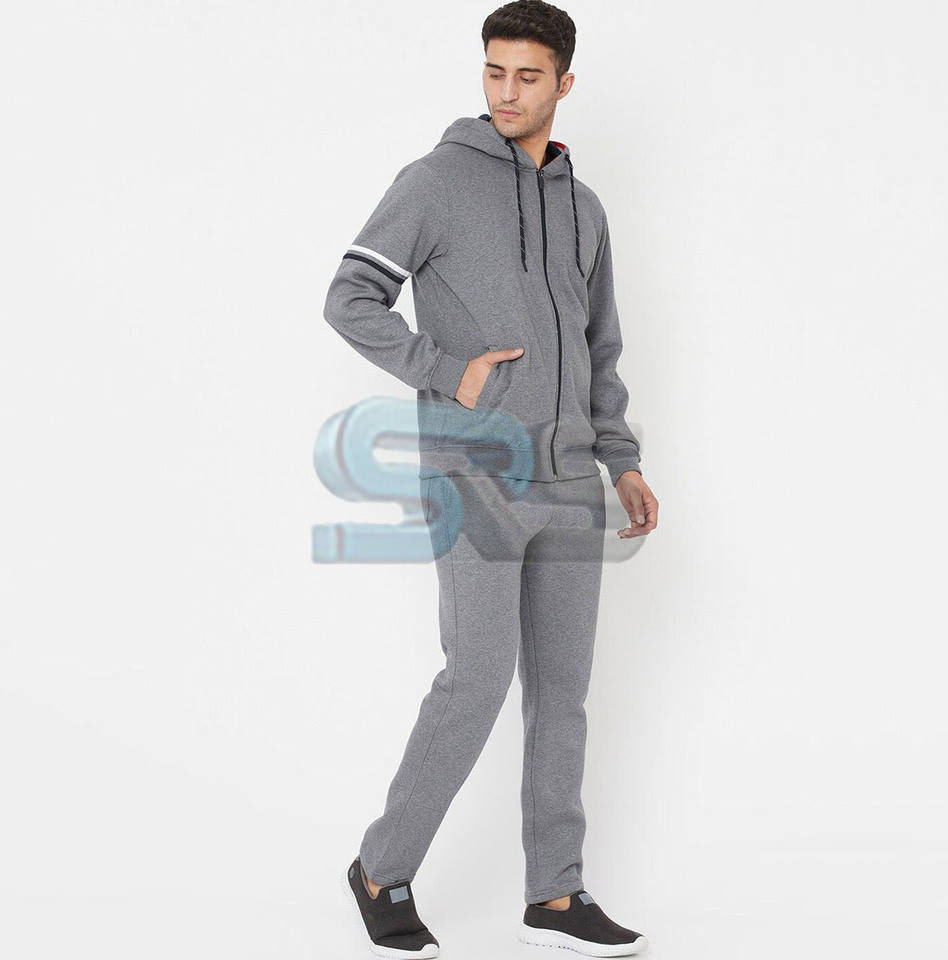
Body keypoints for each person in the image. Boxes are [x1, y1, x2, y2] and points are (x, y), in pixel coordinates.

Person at [324, 2, 659, 956]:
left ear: (564, 83)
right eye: (493, 71)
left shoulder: (585, 209)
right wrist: (445, 370)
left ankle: (555, 892)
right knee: (476, 679)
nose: (506, 92)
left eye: (527, 76)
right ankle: (381, 867)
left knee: (564, 693)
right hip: (474, 470)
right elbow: (349, 295)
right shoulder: (434, 181)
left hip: (572, 479)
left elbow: (601, 348)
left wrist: (623, 460)